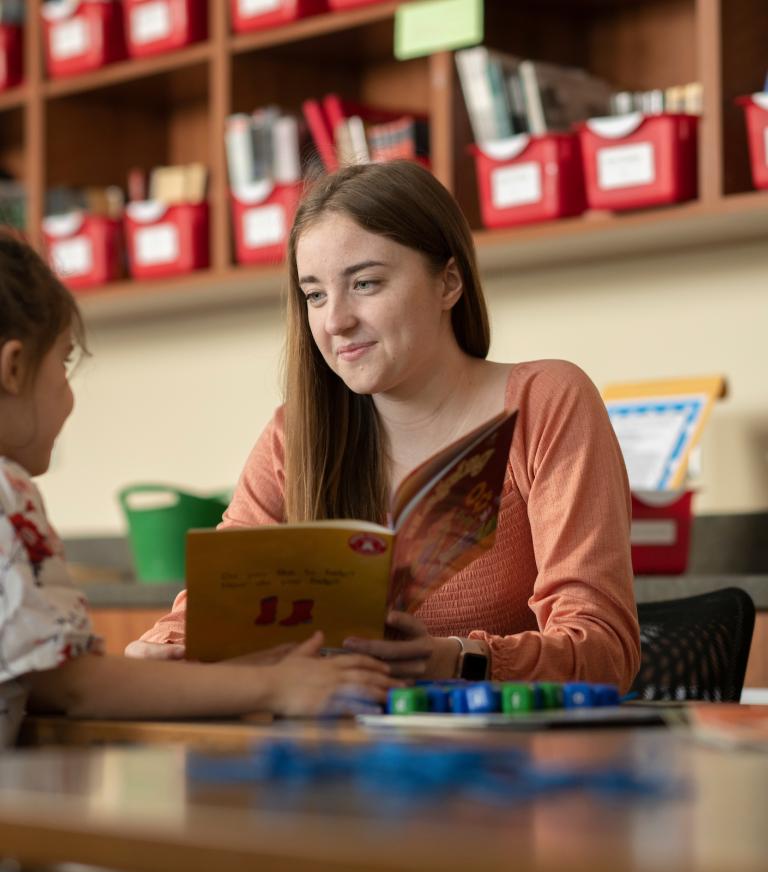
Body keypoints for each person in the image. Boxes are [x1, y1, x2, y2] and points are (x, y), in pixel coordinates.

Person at [129, 160, 641, 693]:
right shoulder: (295, 435)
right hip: (336, 758)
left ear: (448, 282)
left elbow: (604, 650)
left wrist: (454, 660)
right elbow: (213, 611)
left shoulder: (546, 401)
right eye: (315, 294)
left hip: (506, 760)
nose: (335, 321)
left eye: (366, 283)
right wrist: (162, 651)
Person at [0, 233, 395, 746]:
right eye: (63, 362)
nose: (68, 393)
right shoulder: (10, 495)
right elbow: (71, 688)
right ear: (13, 368)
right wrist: (274, 686)